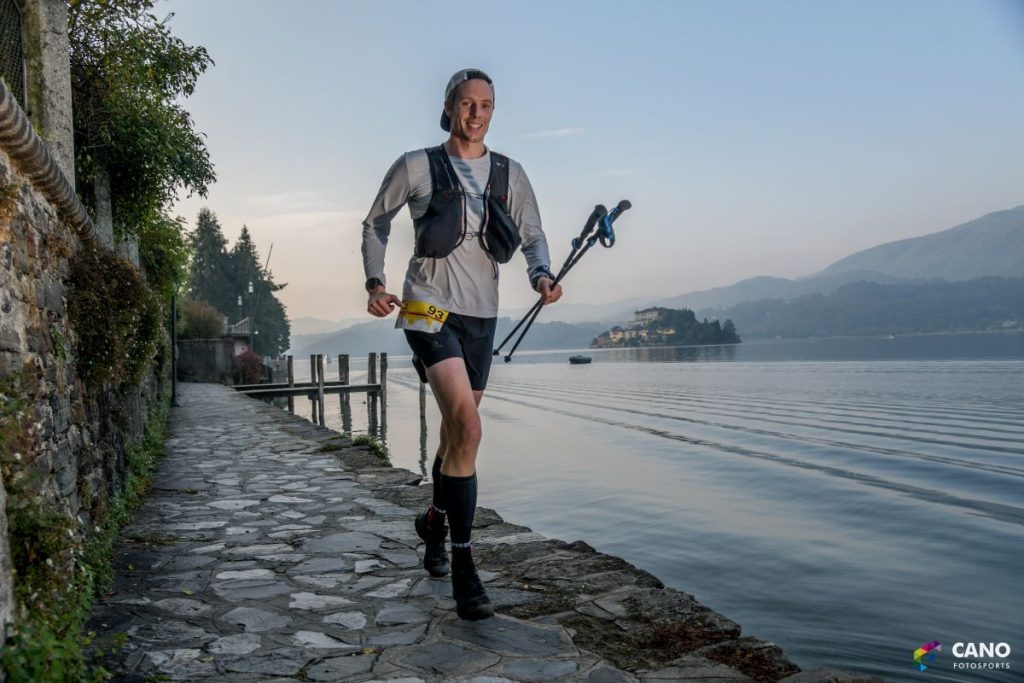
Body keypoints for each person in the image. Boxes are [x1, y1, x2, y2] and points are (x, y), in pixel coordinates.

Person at [361, 68, 562, 620]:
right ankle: (466, 565)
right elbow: (376, 223)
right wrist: (376, 284)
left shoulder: (509, 173)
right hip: (428, 308)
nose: (477, 113)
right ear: (449, 107)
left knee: (456, 436)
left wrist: (541, 276)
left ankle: (432, 519)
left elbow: (534, 235)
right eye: (467, 104)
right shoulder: (418, 165)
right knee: (471, 429)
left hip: (482, 317)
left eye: (487, 105)